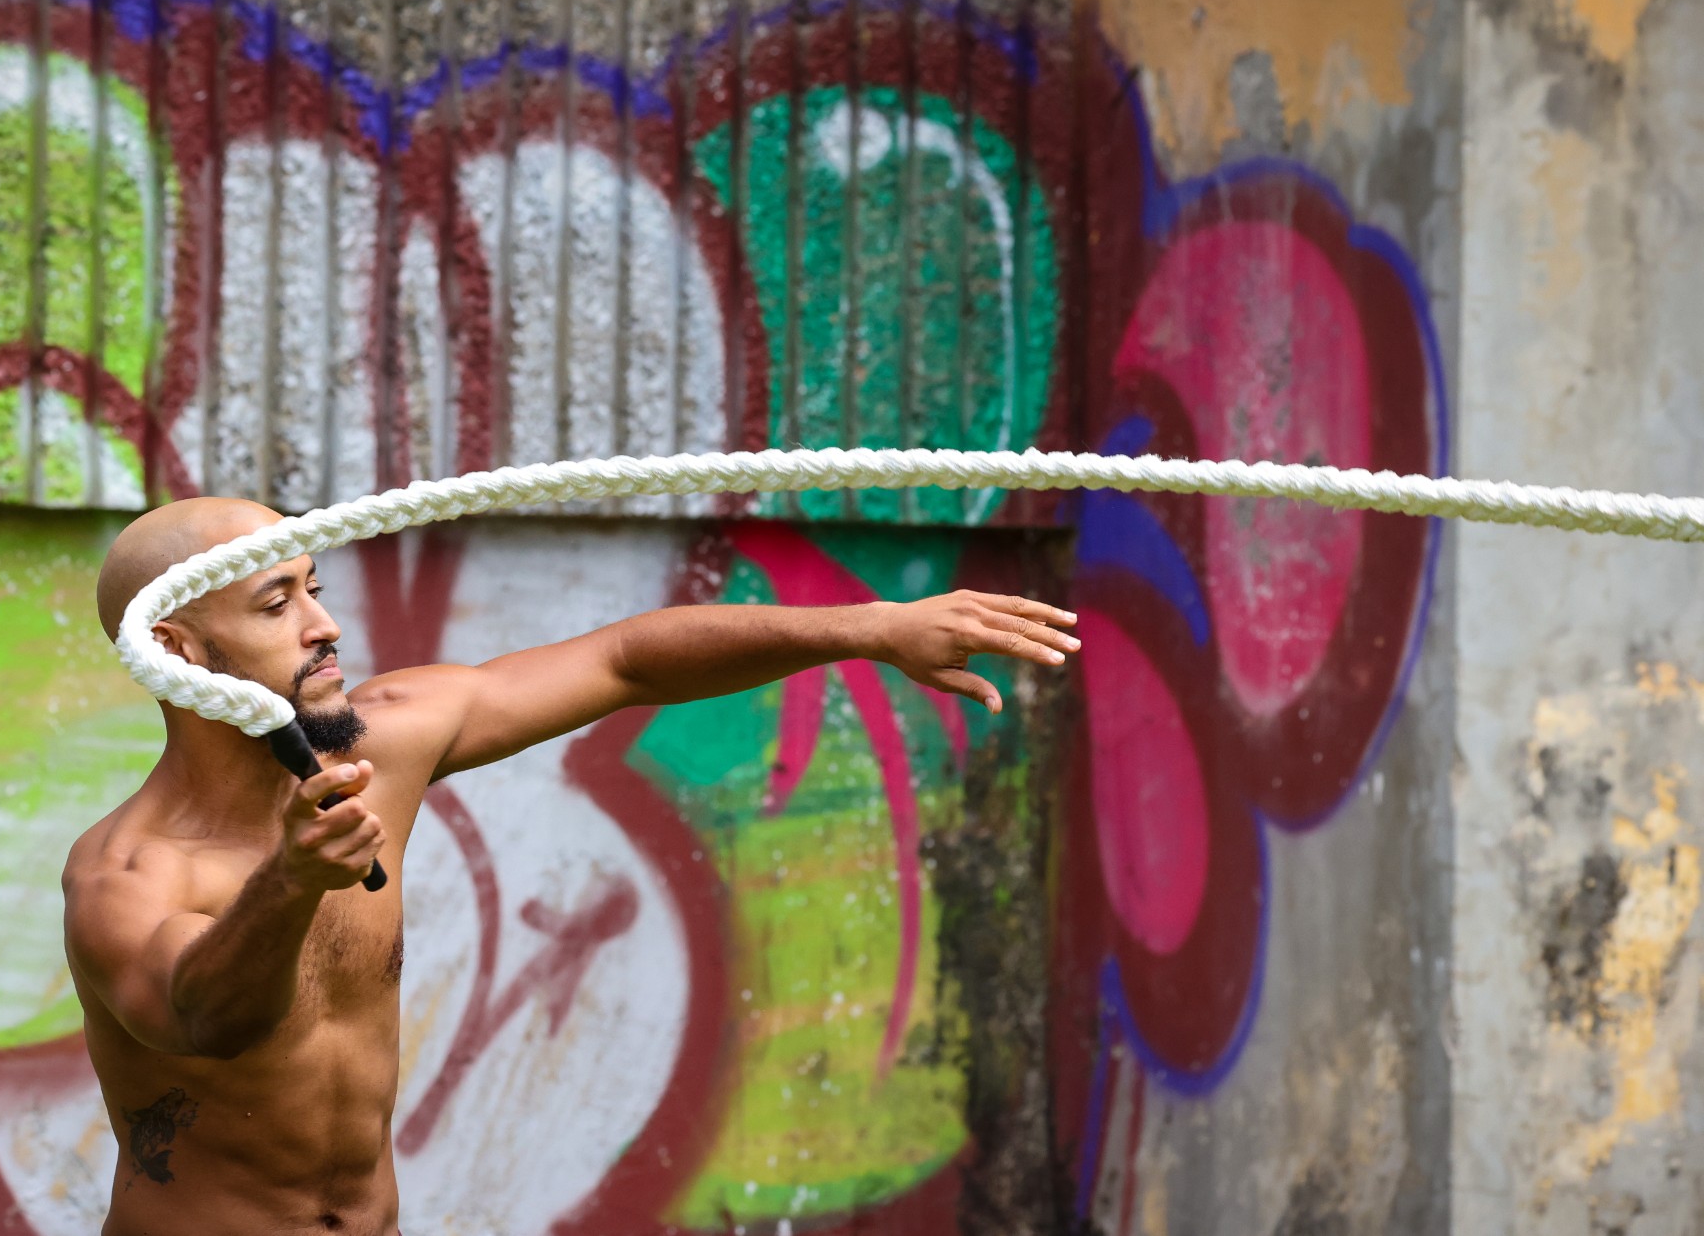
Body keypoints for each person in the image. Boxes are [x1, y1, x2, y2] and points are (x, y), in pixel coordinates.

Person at [66, 496, 1081, 1236]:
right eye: (276, 602)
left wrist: (871, 629)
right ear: (179, 651)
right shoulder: (126, 874)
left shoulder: (385, 745)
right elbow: (210, 1018)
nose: (324, 625)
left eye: (315, 590)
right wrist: (291, 883)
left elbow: (625, 660)